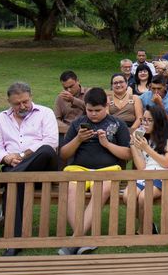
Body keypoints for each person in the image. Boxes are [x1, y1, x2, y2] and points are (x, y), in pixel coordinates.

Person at [58, 87, 131, 256]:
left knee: (103, 188)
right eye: (90, 110)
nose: (93, 114)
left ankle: (74, 241)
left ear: (106, 107)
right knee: (71, 189)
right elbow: (63, 154)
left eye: (98, 110)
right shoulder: (77, 124)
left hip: (108, 170)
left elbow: (127, 154)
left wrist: (106, 144)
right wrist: (78, 139)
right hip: (78, 169)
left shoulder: (117, 124)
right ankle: (82, 240)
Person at [0, 82, 58, 256]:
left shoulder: (45, 113)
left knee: (46, 150)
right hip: (15, 170)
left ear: (31, 97)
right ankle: (14, 242)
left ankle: (12, 176)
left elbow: (51, 142)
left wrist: (21, 156)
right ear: (9, 102)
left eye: (25, 102)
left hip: (42, 171)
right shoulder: (1, 118)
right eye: (17, 104)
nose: (22, 106)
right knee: (17, 182)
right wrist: (5, 157)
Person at [123, 104, 168, 234]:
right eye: (143, 120)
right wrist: (133, 145)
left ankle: (142, 230)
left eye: (149, 120)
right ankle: (148, 224)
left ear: (158, 122)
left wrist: (147, 149)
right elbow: (141, 167)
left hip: (162, 176)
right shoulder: (143, 140)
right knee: (127, 196)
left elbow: (166, 163)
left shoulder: (167, 140)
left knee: (143, 197)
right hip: (145, 175)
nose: (145, 123)